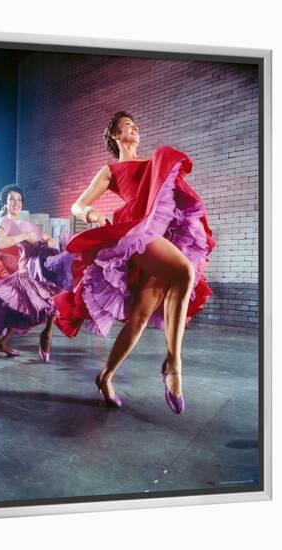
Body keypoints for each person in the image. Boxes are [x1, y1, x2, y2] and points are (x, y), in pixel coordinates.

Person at [53, 111, 216, 413]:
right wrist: (93, 215)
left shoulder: (155, 163)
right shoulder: (111, 170)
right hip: (135, 233)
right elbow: (79, 204)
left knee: (139, 319)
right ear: (115, 135)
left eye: (136, 125)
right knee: (183, 272)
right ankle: (173, 363)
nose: (134, 128)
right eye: (127, 125)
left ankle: (105, 376)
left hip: (162, 232)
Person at [0, 185, 74, 362]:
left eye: (19, 199)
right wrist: (23, 237)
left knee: (40, 303)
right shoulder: (6, 222)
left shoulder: (26, 223)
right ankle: (45, 336)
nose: (16, 203)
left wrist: (50, 243)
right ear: (5, 203)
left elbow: (47, 238)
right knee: (39, 304)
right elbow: (0, 243)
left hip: (40, 267)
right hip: (27, 272)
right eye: (12, 199)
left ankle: (3, 342)